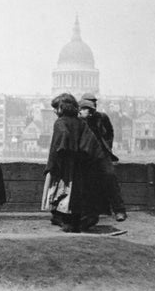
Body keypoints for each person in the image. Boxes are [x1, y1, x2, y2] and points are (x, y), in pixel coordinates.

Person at [41, 93, 105, 233]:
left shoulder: (60, 122)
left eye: (56, 107)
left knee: (61, 193)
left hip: (63, 165)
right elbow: (92, 144)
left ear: (62, 108)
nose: (54, 111)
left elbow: (60, 142)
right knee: (76, 194)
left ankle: (65, 222)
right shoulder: (81, 122)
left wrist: (56, 160)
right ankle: (75, 223)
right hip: (79, 166)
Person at [80, 93, 127, 222]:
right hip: (87, 156)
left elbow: (110, 132)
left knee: (110, 175)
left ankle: (119, 210)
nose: (91, 106)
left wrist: (107, 147)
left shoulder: (101, 117)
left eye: (93, 103)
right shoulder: (80, 120)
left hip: (101, 154)